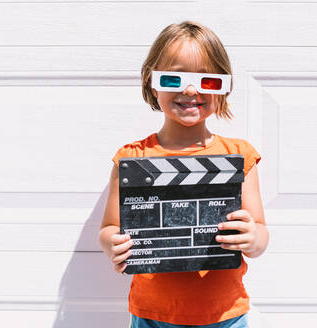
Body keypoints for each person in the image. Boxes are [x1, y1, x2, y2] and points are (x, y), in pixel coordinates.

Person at [98, 21, 269, 328]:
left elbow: (259, 234)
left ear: (224, 87)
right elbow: (109, 228)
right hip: (152, 315)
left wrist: (253, 237)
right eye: (173, 78)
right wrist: (113, 243)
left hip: (226, 315)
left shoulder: (240, 156)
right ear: (153, 83)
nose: (190, 89)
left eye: (207, 80)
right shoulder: (132, 158)